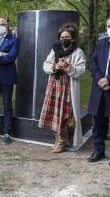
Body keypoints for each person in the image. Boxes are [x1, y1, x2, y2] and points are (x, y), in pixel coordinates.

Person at [38, 24, 86, 153]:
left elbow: (81, 70)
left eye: (67, 37)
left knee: (65, 115)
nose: (64, 39)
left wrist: (69, 66)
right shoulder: (55, 50)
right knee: (55, 113)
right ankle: (58, 138)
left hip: (68, 87)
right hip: (55, 84)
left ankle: (63, 139)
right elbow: (46, 64)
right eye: (62, 37)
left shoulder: (78, 52)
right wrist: (55, 67)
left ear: (73, 38)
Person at [0, 18, 19, 144]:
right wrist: (1, 54)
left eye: (2, 24)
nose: (0, 26)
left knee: (7, 105)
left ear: (7, 26)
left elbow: (11, 57)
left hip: (7, 77)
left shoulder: (14, 40)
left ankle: (7, 132)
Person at [87, 17, 110, 162]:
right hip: (99, 88)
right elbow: (92, 61)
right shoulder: (102, 43)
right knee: (98, 122)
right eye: (108, 26)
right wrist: (99, 78)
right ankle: (98, 150)